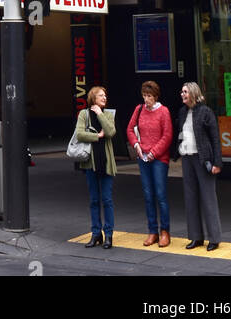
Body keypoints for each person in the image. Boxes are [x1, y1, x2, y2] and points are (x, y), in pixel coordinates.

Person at [172, 81, 223, 251]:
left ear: (193, 93)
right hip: (187, 158)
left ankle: (214, 238)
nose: (182, 94)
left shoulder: (206, 112)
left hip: (203, 159)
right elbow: (180, 134)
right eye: (181, 91)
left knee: (208, 198)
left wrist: (217, 162)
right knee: (190, 198)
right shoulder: (182, 111)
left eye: (185, 91)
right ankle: (196, 237)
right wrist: (176, 152)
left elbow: (215, 138)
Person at [127, 80, 173, 247]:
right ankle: (152, 231)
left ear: (156, 96)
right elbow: (130, 129)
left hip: (159, 159)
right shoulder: (139, 110)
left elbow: (167, 136)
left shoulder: (164, 112)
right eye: (144, 96)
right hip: (143, 157)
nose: (146, 99)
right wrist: (136, 145)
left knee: (160, 195)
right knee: (148, 196)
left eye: (150, 96)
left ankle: (165, 232)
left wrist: (154, 152)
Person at [74, 85, 117, 248]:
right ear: (93, 98)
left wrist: (100, 114)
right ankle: (96, 233)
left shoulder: (108, 114)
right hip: (90, 164)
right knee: (93, 200)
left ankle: (109, 235)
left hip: (106, 163)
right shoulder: (84, 114)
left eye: (105, 95)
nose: (104, 98)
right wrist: (97, 136)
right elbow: (79, 134)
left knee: (107, 200)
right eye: (100, 95)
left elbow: (111, 132)